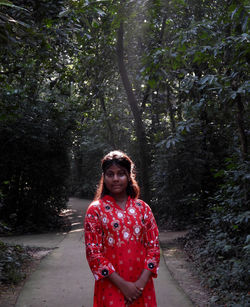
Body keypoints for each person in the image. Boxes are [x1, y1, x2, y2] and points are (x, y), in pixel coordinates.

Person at [84, 150, 160, 307]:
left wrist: (139, 284)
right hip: (111, 286)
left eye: (121, 174)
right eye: (110, 174)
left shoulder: (143, 208)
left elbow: (153, 248)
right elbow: (94, 253)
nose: (116, 179)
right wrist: (124, 286)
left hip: (142, 287)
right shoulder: (95, 210)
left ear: (129, 176)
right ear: (104, 177)